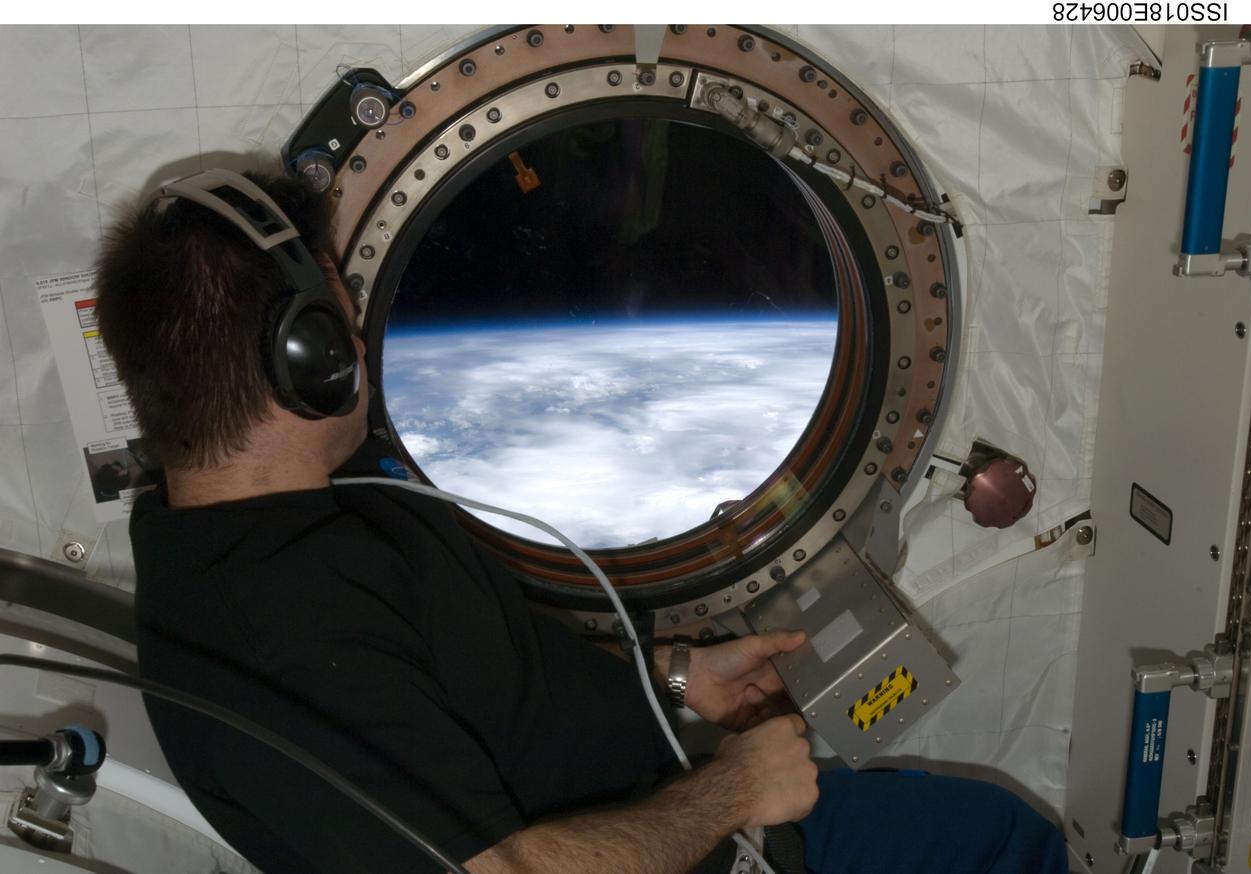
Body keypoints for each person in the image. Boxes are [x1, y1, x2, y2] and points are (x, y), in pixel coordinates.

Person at [94, 168, 1069, 874]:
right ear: (307, 356)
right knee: (998, 842)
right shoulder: (271, 636)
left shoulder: (309, 513)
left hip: (661, 794)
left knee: (982, 825)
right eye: (341, 310)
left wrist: (674, 676)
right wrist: (732, 793)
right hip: (680, 838)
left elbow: (484, 687)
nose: (357, 331)